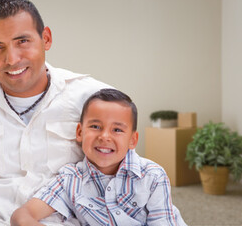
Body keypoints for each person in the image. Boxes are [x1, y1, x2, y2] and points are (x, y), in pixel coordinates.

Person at [0, 0, 112, 225]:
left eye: (22, 41)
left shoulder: (93, 98)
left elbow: (134, 177)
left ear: (46, 39)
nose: (12, 59)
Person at [11, 89, 187, 226]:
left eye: (117, 130)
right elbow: (22, 216)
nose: (105, 136)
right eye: (95, 126)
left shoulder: (153, 176)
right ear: (80, 132)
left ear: (132, 140)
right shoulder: (70, 179)